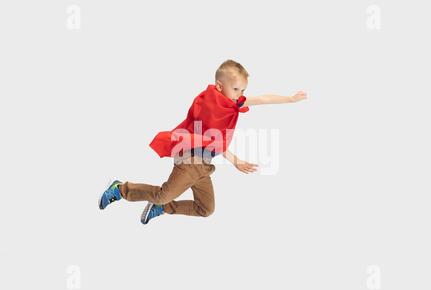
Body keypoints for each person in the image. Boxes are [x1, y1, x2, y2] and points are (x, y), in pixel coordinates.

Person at [98, 59, 307, 224]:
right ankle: (120, 189)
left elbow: (262, 99)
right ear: (219, 86)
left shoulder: (230, 101)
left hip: (204, 164)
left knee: (205, 209)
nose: (240, 95)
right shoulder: (211, 105)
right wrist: (235, 160)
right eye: (236, 89)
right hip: (190, 157)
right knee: (162, 194)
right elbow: (211, 138)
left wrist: (289, 99)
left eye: (243, 90)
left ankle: (162, 208)